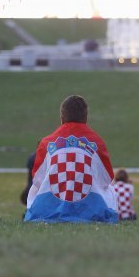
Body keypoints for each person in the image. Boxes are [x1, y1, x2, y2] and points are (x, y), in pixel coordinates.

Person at [25, 95, 118, 223]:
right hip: (89, 209)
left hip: (50, 208)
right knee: (111, 189)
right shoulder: (97, 142)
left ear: (61, 118)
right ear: (86, 118)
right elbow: (106, 179)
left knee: (34, 189)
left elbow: (37, 180)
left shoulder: (46, 143)